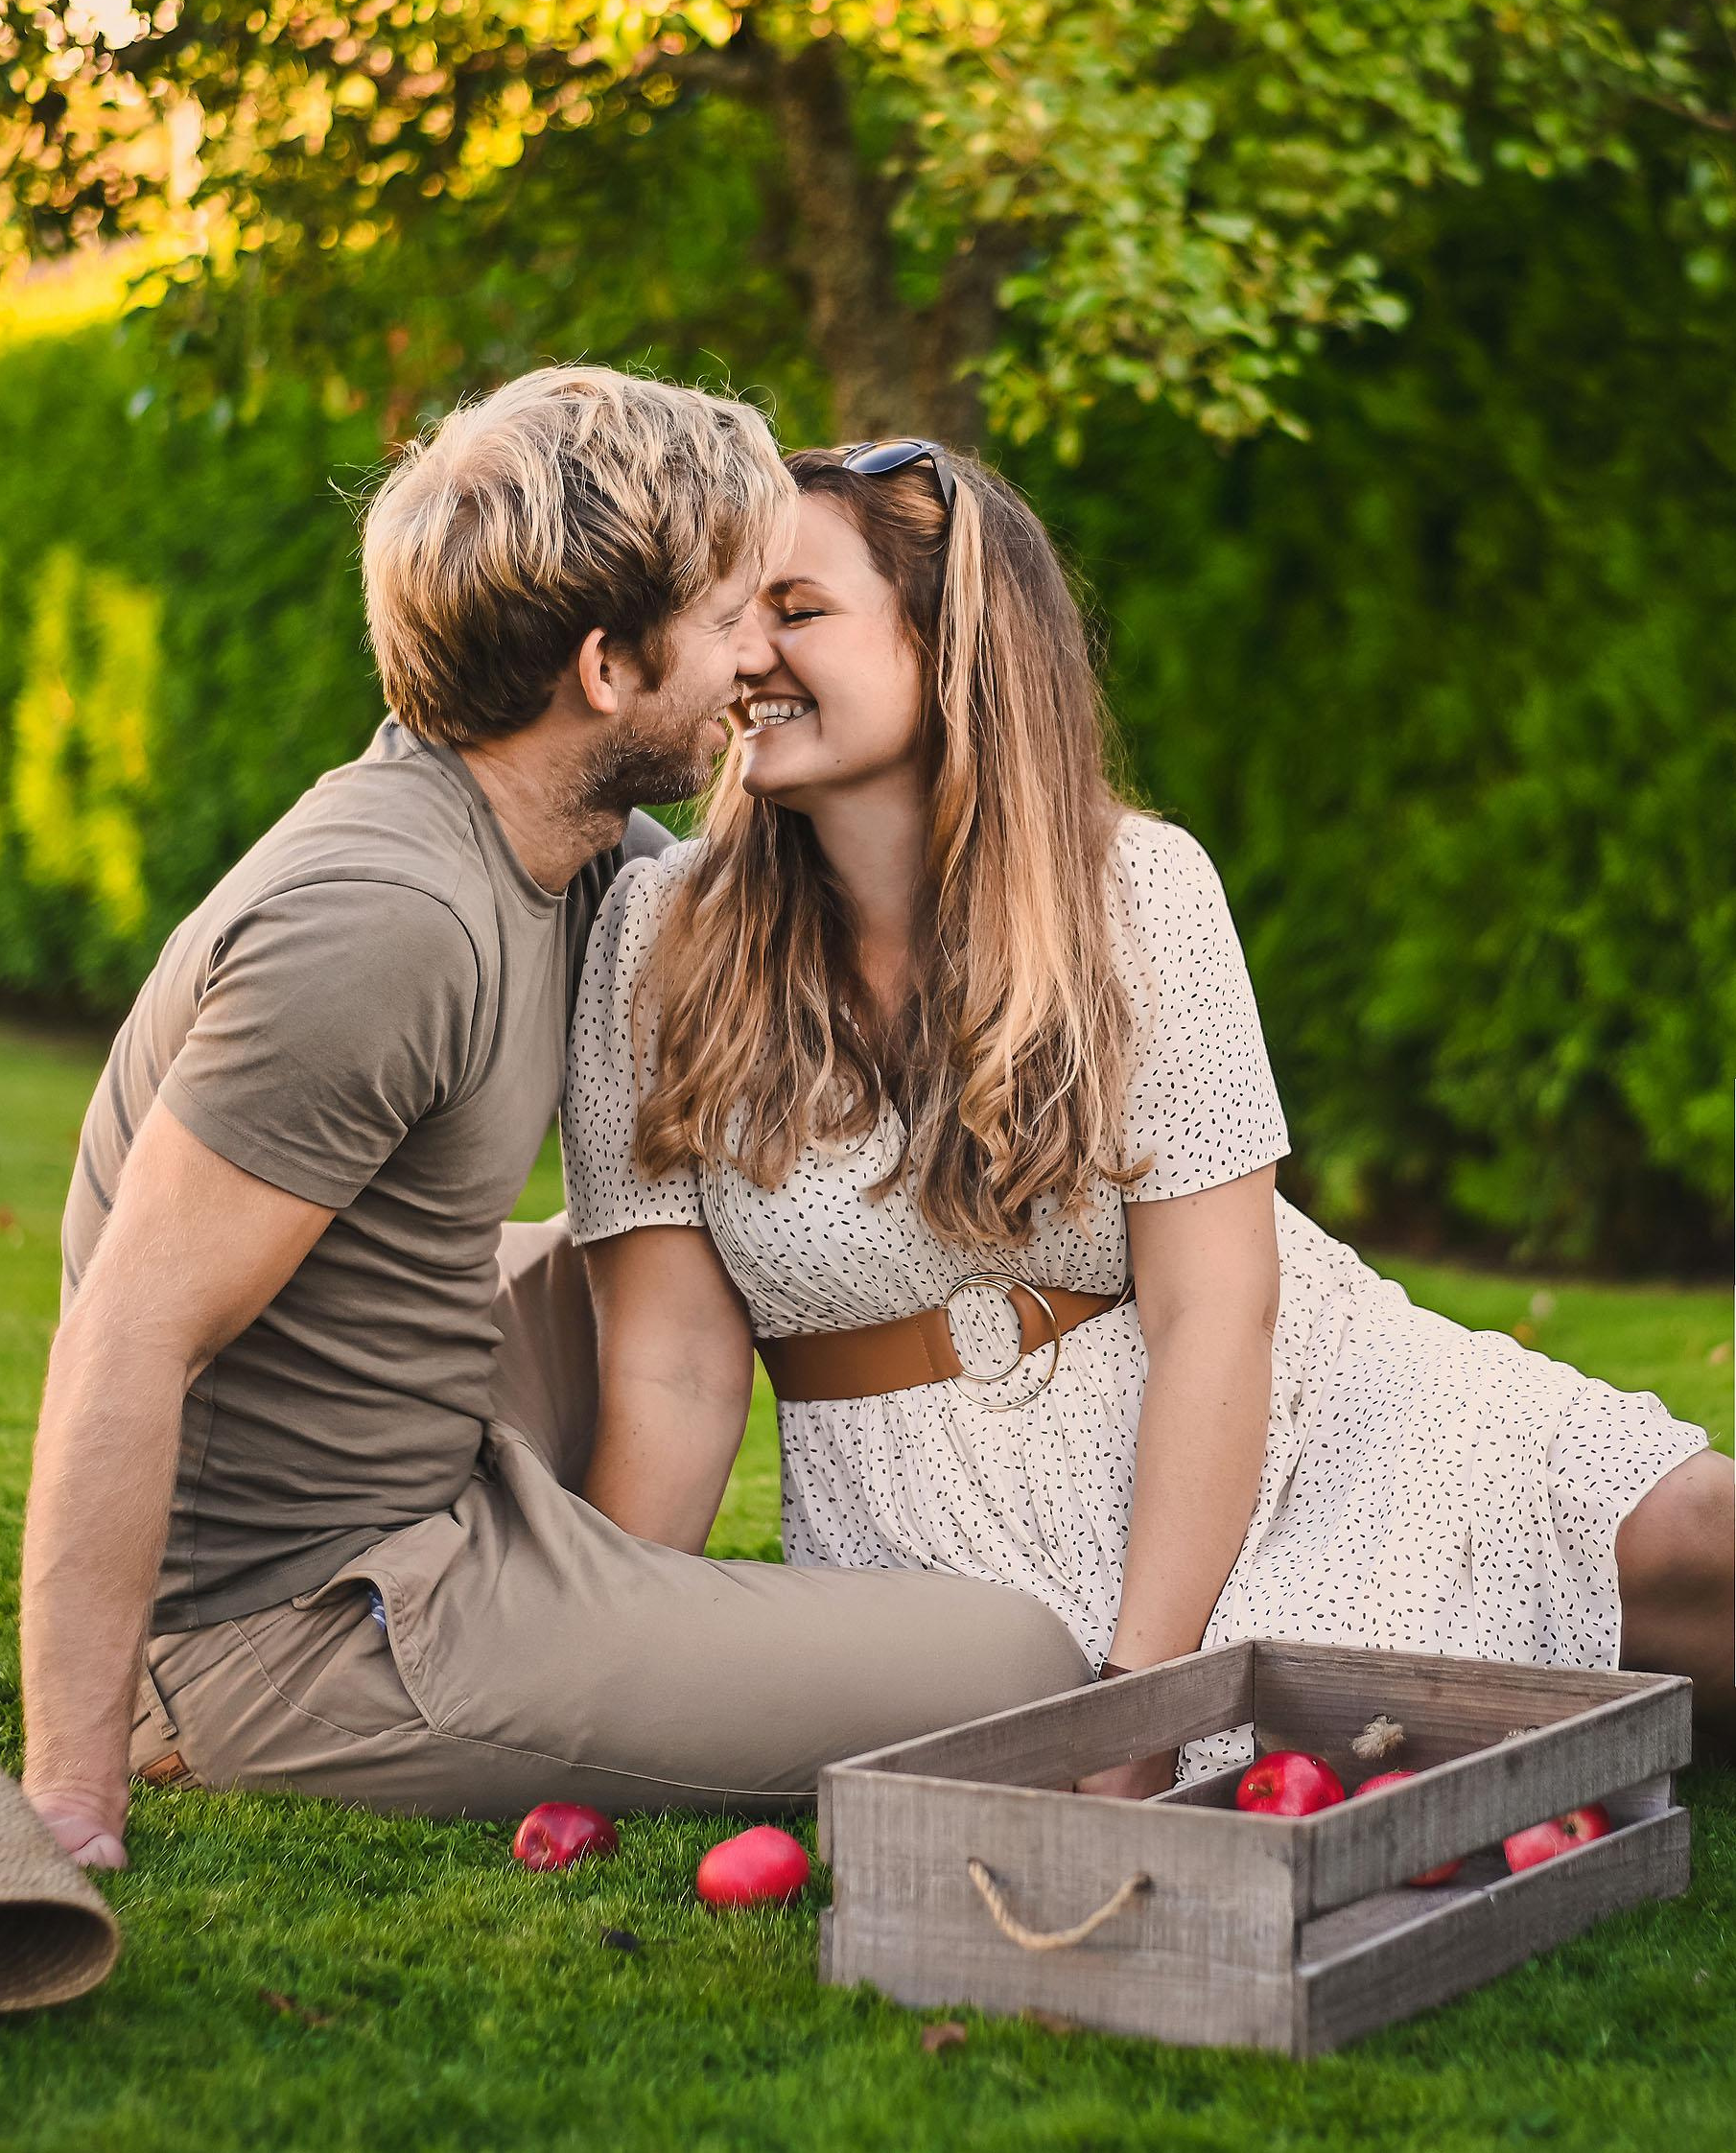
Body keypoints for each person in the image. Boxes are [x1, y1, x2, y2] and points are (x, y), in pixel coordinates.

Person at [18, 373, 1091, 1868]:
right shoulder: (382, 924)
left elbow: (805, 969)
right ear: (605, 666)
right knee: (1016, 1669)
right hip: (311, 1624)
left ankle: (601, 1595)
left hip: (439, 1447)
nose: (755, 660)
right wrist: (69, 1795)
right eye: (730, 619)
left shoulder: (573, 850)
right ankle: (204, 1711)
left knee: (708, 1235)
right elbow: (129, 1335)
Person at [566, 436, 1733, 1795]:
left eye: (798, 611)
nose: (743, 657)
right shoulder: (659, 938)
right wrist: (586, 1681)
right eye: (731, 613)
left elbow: (1214, 1311)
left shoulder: (1135, 892)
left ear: (954, 646)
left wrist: (1146, 1691)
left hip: (1307, 1424)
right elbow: (674, 1370)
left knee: (1703, 1547)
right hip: (937, 1543)